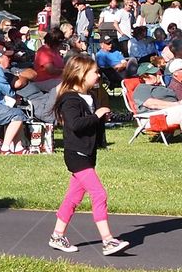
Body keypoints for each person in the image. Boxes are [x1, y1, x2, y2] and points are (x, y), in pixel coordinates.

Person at [48, 54, 129, 256]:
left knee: (73, 197)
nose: (98, 76)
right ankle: (108, 240)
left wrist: (101, 117)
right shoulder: (69, 99)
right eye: (95, 72)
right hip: (76, 153)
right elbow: (75, 124)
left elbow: (89, 123)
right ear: (80, 74)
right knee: (99, 194)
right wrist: (97, 115)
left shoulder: (89, 97)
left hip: (87, 152)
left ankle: (57, 236)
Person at [130, 63, 182, 149]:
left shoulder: (161, 87)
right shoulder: (142, 88)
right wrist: (176, 104)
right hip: (154, 118)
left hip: (169, 113)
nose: (159, 74)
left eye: (158, 72)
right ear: (144, 77)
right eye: (154, 74)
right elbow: (151, 103)